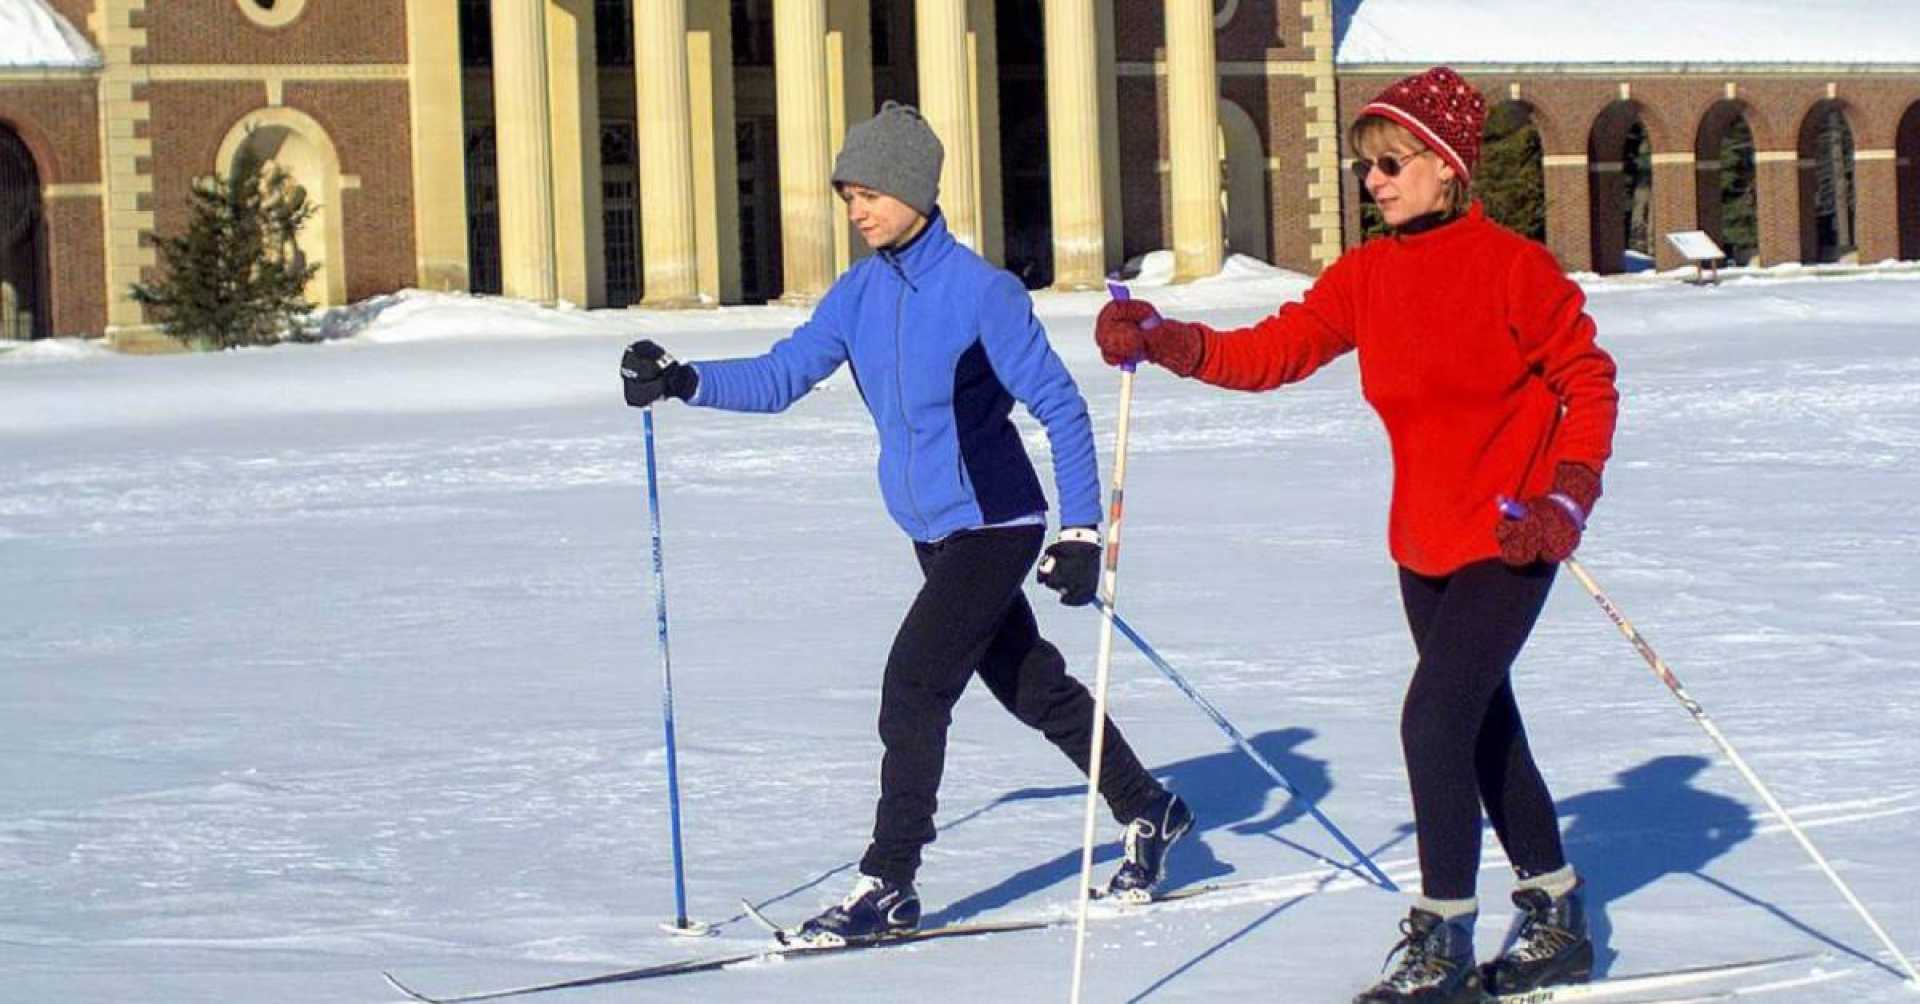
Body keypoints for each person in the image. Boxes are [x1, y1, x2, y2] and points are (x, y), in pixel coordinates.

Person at [1093, 67, 1618, 1004]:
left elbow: (1588, 382)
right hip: (1423, 545)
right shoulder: (1368, 276)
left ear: (1446, 167)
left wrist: (1565, 499)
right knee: (1481, 726)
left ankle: (1441, 941)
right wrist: (1167, 338)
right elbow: (1273, 351)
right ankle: (1556, 912)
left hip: (1512, 538)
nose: (1370, 180)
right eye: (1363, 164)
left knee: (1433, 719)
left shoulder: (1513, 268)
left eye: (1389, 162)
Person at [621, 101, 1191, 947]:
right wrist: (685, 381)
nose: (856, 211)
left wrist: (1080, 533)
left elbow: (1061, 409)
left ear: (916, 190)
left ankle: (888, 882)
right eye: (847, 195)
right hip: (931, 533)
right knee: (1029, 685)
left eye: (871, 193)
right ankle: (1150, 807)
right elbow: (783, 377)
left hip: (997, 523)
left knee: (913, 686)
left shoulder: (981, 293)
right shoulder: (856, 295)